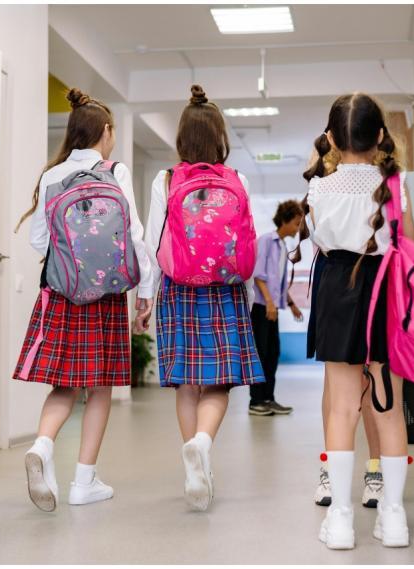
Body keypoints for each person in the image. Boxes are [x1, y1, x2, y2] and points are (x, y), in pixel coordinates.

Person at [12, 88, 153, 512]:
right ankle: (84, 481)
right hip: (106, 295)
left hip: (61, 292)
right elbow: (133, 236)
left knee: (64, 384)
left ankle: (41, 445)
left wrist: (70, 258)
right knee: (100, 388)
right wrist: (144, 293)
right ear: (105, 133)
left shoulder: (52, 176)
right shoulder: (116, 171)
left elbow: (39, 238)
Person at [293, 92, 414, 549]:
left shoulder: (319, 188)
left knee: (342, 408)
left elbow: (322, 248)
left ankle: (342, 520)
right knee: (388, 409)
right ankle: (394, 518)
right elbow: (408, 246)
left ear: (330, 139)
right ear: (381, 136)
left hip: (337, 295)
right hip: (385, 295)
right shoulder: (393, 186)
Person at [134, 85, 265, 512]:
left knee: (187, 384)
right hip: (225, 289)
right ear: (220, 136)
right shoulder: (238, 179)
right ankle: (204, 445)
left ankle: (194, 461)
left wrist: (145, 297)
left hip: (178, 288)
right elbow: (245, 241)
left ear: (181, 138)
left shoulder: (166, 179)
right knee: (219, 381)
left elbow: (155, 243)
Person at [310, 251, 385, 509]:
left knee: (372, 382)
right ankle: (330, 466)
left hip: (378, 269)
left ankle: (377, 469)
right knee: (336, 381)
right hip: (337, 266)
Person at [248, 200, 304, 416]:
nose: (297, 228)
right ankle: (256, 401)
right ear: (286, 220)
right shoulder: (266, 241)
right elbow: (259, 274)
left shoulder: (281, 245)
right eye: (296, 223)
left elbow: (277, 281)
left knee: (272, 353)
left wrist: (291, 304)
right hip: (261, 307)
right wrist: (270, 303)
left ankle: (269, 399)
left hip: (272, 307)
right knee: (261, 353)